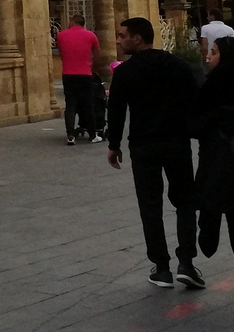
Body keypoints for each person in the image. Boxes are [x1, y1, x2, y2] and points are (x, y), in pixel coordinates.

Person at [107, 16, 204, 290]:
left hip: (143, 146)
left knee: (150, 206)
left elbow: (116, 110)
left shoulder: (125, 72)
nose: (118, 39)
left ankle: (161, 268)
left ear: (137, 38)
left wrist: (114, 144)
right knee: (184, 201)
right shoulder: (178, 66)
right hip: (176, 143)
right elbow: (195, 101)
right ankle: (186, 262)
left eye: (122, 34)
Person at [194, 35, 234, 257]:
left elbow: (197, 122)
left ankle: (208, 240)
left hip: (215, 158)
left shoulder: (211, 86)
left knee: (212, 201)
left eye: (215, 51)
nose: (208, 56)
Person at [56, 16, 104, 145]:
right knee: (88, 105)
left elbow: (61, 53)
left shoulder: (61, 35)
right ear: (83, 23)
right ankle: (93, 135)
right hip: (85, 74)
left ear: (72, 22)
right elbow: (98, 55)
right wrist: (93, 68)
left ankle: (70, 135)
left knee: (70, 105)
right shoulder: (91, 36)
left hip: (68, 74)